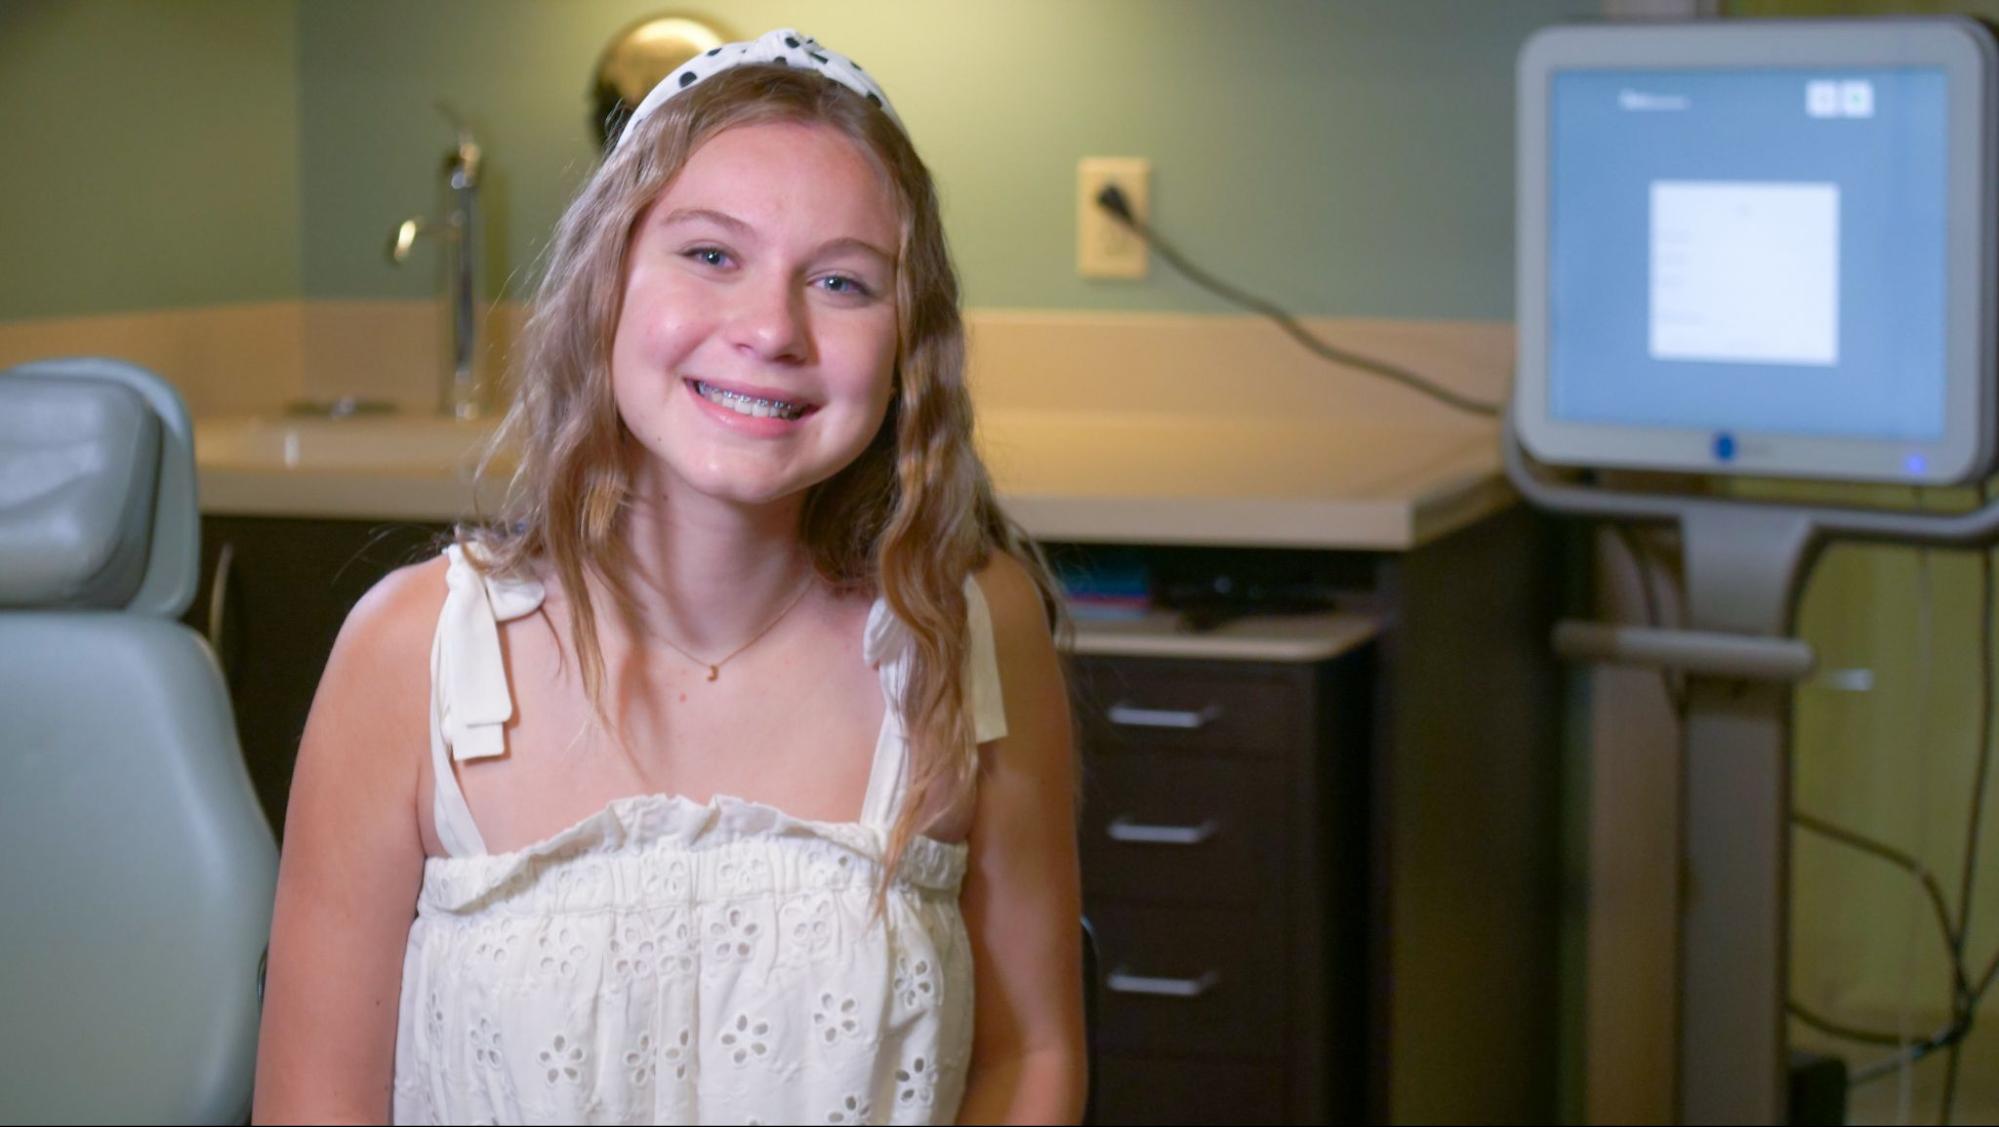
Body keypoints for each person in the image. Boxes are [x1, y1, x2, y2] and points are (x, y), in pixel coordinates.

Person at [252, 29, 1085, 1125]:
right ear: (606, 283)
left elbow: (1030, 1054)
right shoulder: (410, 658)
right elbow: (314, 1102)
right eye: (710, 255)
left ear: (906, 346)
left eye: (842, 281)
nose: (771, 329)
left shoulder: (966, 629)